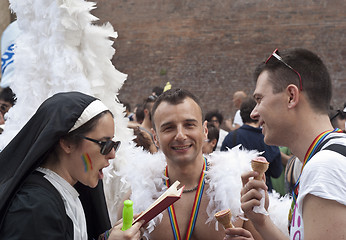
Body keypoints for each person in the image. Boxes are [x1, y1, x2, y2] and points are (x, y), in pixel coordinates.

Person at [225, 48, 346, 240]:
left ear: (291, 96)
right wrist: (261, 222)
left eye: (259, 99)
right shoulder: (330, 153)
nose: (254, 113)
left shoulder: (324, 168)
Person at [118, 88, 265, 240]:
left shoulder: (238, 188)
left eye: (189, 125)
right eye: (169, 128)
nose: (180, 135)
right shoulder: (137, 197)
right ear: (155, 137)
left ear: (205, 130)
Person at [0, 92, 143, 239]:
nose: (112, 154)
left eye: (114, 144)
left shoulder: (66, 193)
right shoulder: (34, 207)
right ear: (67, 143)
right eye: (105, 144)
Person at [221, 97, 282, 192]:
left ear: (241, 116)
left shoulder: (230, 137)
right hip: (264, 195)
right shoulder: (268, 138)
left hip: (236, 194)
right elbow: (276, 172)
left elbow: (222, 169)